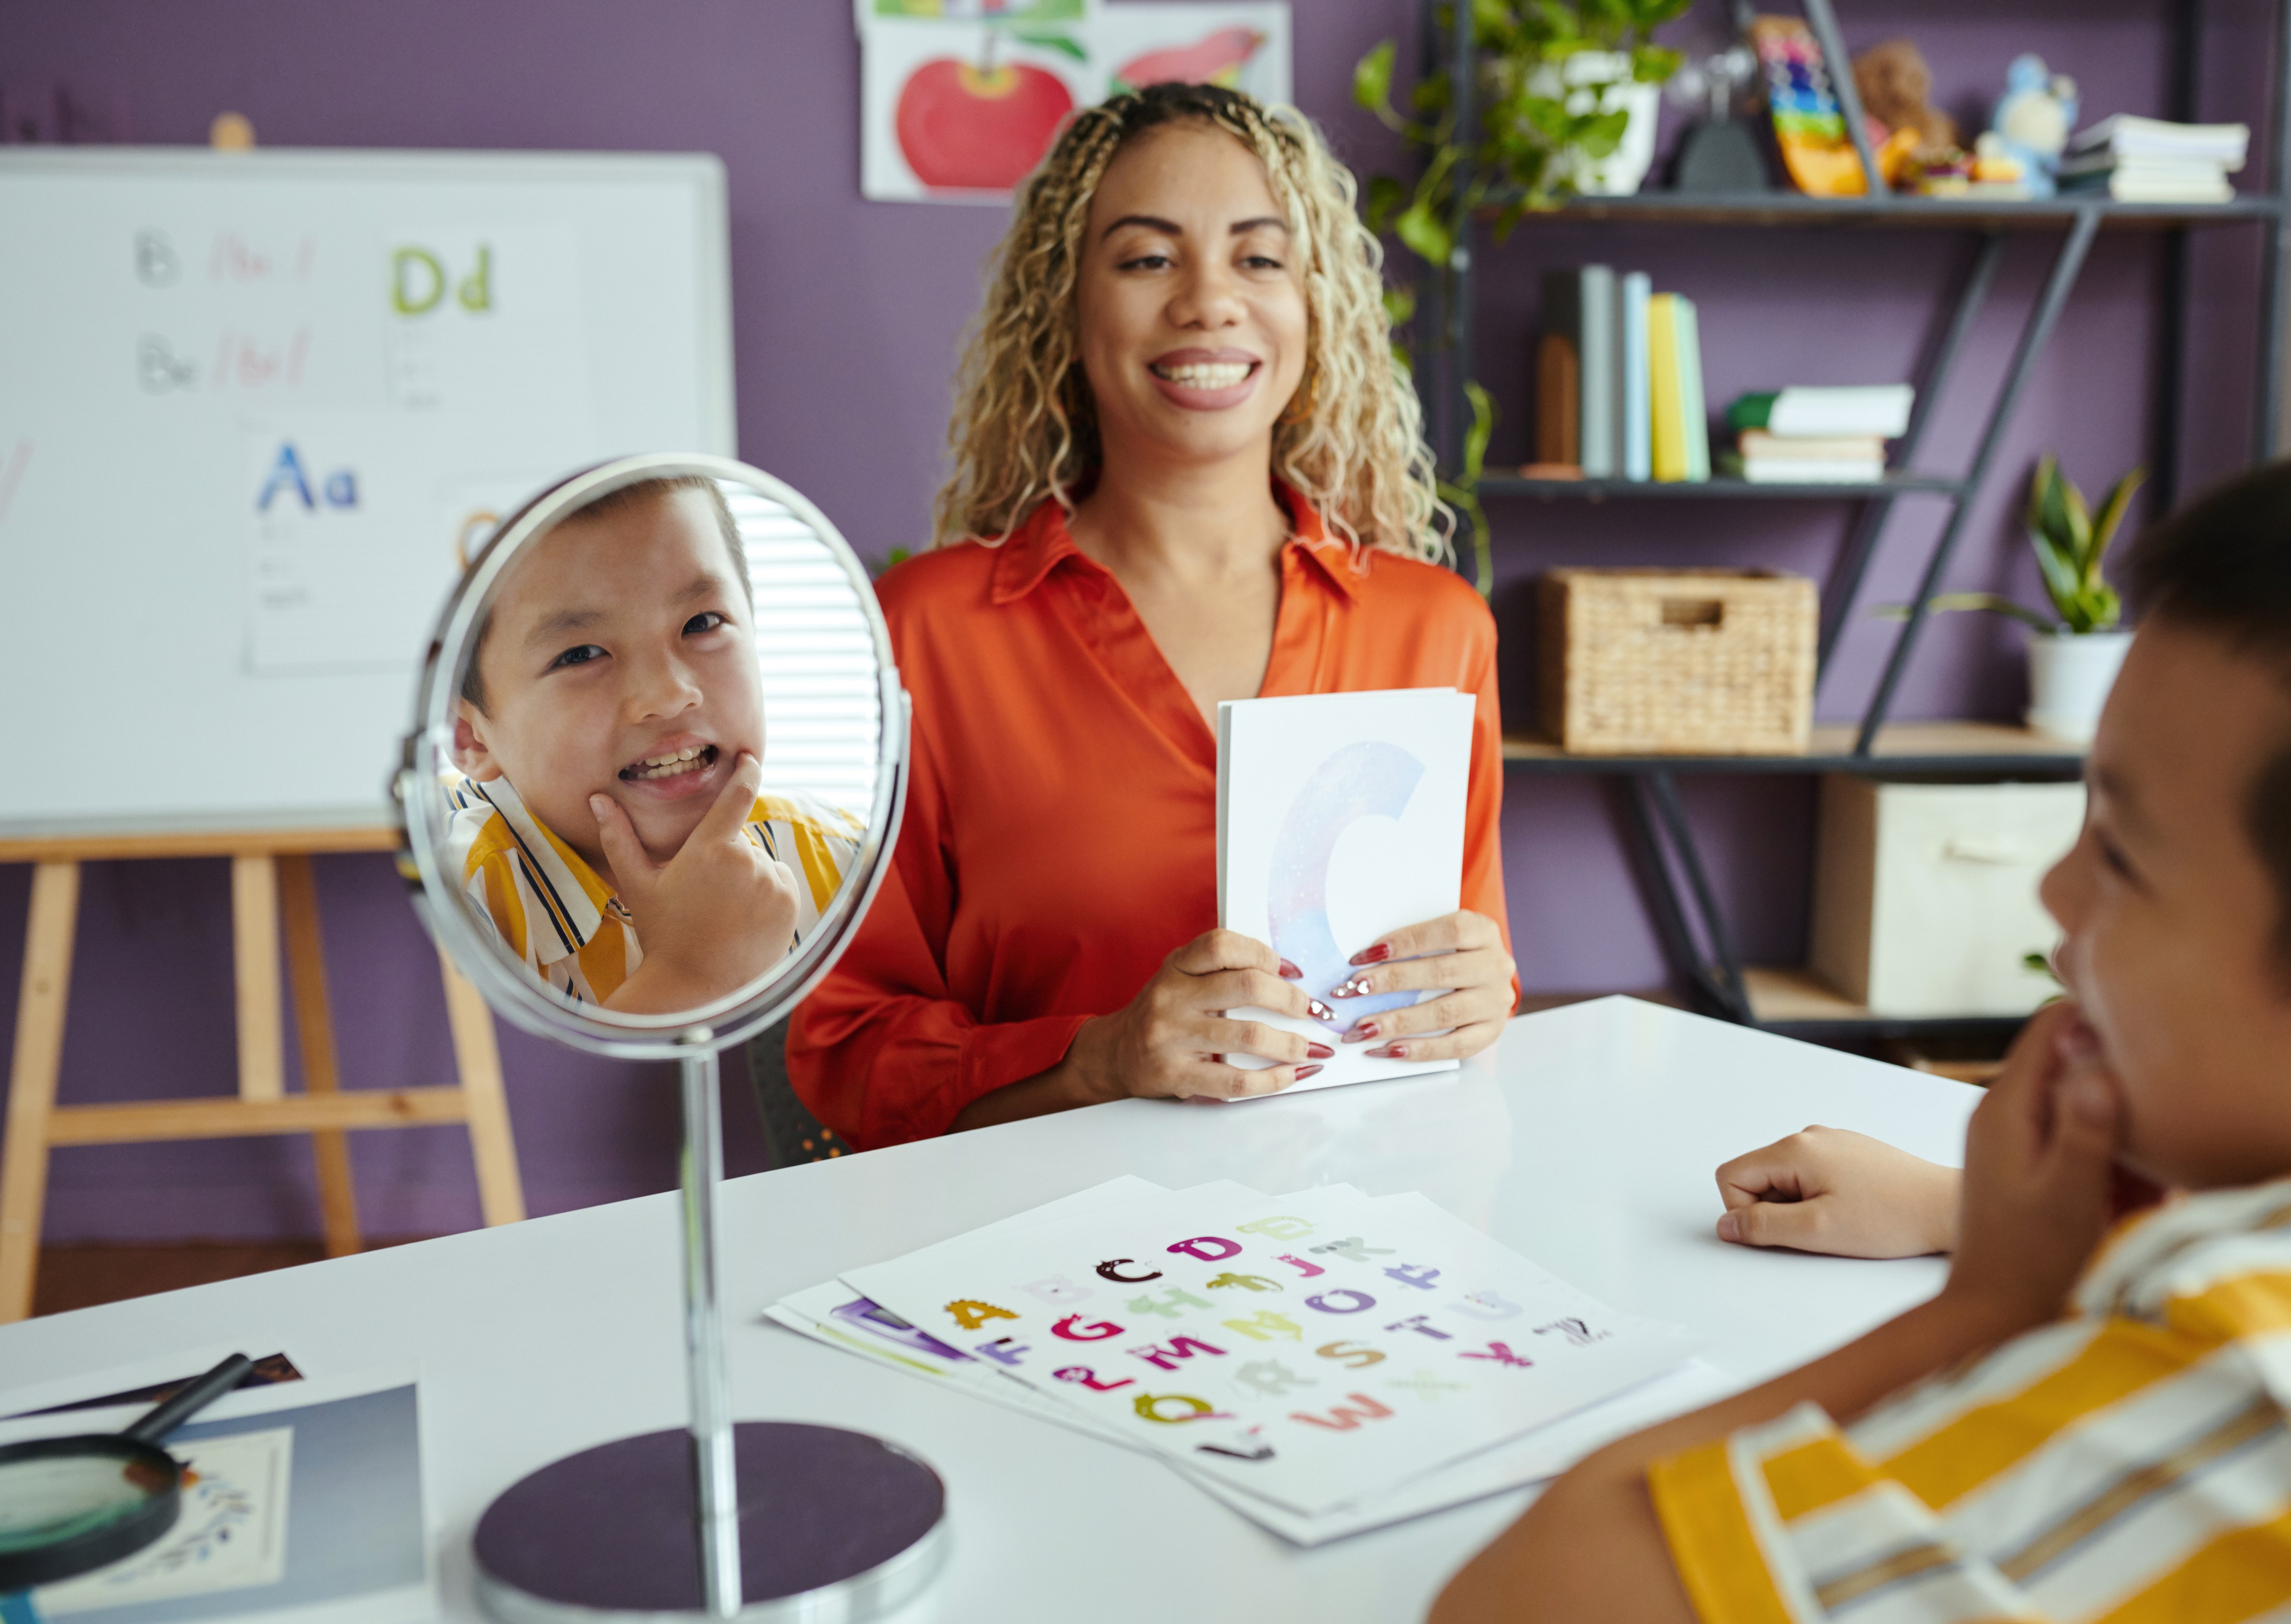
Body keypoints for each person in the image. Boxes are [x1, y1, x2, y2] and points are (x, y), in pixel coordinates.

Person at [1421, 425, 2291, 1624]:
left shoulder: (2281, 1389)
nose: (2055, 894)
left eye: (2124, 854)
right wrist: (1960, 1207)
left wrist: (1988, 1300)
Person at [788, 82, 1515, 1150]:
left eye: (1259, 257)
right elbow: (844, 1047)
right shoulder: (920, 634)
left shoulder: (1437, 628)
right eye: (1146, 258)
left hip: (1364, 1249)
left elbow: (1468, 969)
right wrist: (1102, 1057)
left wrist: (1477, 993)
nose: (1208, 300)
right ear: (1066, 309)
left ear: (1316, 305)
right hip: (1026, 1259)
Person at [445, 475, 863, 1014]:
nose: (667, 696)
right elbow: (542, 1101)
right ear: (469, 736)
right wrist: (691, 974)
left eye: (702, 623)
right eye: (580, 655)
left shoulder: (844, 868)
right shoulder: (457, 902)